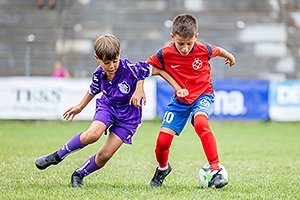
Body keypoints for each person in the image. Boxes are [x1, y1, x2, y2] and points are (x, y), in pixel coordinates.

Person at [35, 34, 188, 187]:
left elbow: (159, 70)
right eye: (106, 63)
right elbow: (93, 90)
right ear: (97, 58)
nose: (112, 66)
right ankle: (56, 156)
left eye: (115, 61)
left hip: (129, 118)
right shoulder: (99, 74)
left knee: (104, 155)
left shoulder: (130, 68)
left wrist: (176, 88)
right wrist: (80, 107)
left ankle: (78, 174)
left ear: (119, 55)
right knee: (92, 135)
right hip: (108, 107)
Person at [147, 13, 236, 188]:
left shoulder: (204, 49)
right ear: (172, 37)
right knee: (162, 142)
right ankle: (163, 168)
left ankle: (216, 169)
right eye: (181, 44)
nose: (186, 48)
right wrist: (138, 88)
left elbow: (218, 50)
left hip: (203, 95)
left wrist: (230, 56)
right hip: (180, 102)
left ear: (196, 37)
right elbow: (145, 68)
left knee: (201, 122)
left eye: (190, 43)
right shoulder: (164, 53)